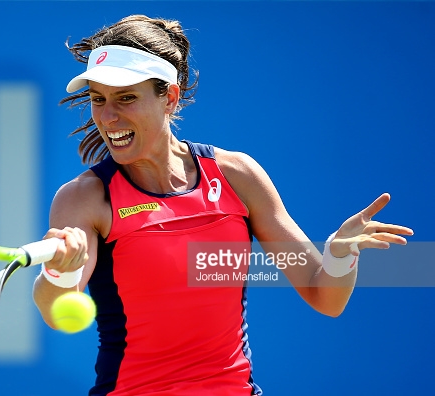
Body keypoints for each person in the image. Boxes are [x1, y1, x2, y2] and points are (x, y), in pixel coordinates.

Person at [32, 14, 413, 396]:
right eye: (98, 100)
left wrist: (340, 254)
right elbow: (56, 310)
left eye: (126, 97)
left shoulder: (236, 175)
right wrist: (59, 273)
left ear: (170, 96)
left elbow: (324, 295)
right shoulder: (85, 198)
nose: (108, 116)